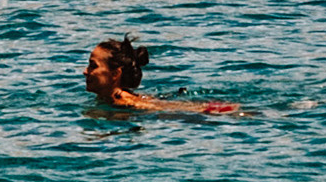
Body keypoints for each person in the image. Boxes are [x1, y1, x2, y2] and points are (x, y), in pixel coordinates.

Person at [82, 37, 247, 120]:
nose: (85, 72)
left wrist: (223, 110)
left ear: (115, 74)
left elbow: (166, 108)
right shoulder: (112, 99)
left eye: (93, 66)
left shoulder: (124, 102)